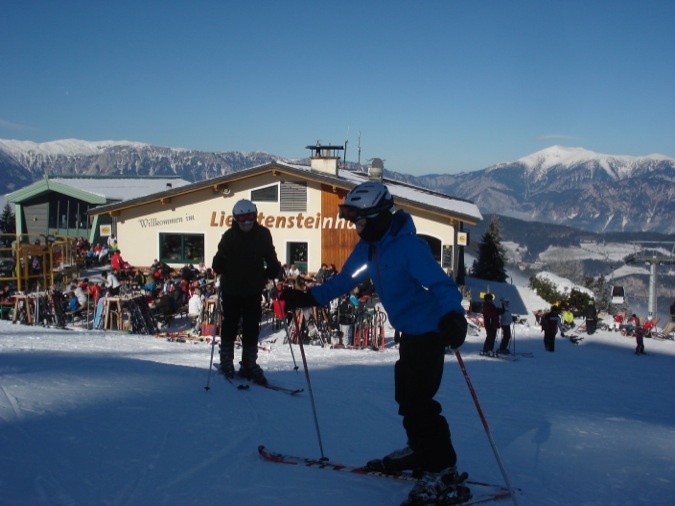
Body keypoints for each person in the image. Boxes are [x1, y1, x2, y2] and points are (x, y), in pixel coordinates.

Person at [279, 181, 469, 504]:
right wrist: (308, 297)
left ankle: (442, 469)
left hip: (430, 333)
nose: (356, 227)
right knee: (405, 397)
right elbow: (344, 281)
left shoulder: (409, 248)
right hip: (408, 334)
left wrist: (454, 315)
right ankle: (420, 450)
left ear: (378, 217)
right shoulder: (370, 248)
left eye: (360, 220)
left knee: (420, 403)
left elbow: (442, 285)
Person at [212, 199, 281, 385]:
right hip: (232, 288)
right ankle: (227, 361)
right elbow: (218, 261)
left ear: (255, 216)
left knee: (252, 326)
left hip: (253, 288)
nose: (247, 222)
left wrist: (273, 267)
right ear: (236, 218)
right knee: (230, 324)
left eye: (250, 217)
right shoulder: (229, 236)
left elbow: (270, 255)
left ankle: (249, 363)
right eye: (242, 218)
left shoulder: (263, 235)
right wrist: (220, 264)